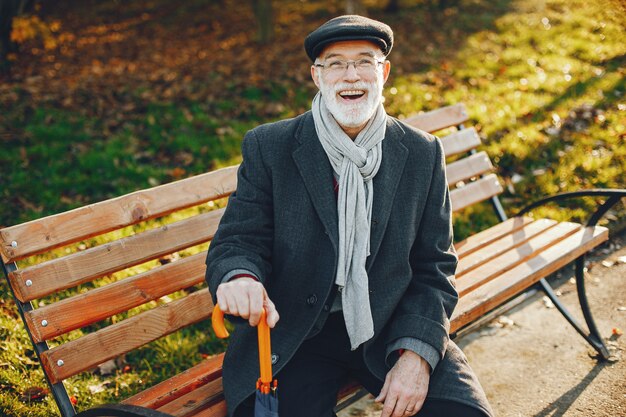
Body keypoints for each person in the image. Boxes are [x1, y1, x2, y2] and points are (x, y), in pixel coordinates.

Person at [206, 15, 493, 417]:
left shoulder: (422, 153)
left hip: (391, 322)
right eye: (336, 63)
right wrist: (239, 277)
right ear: (316, 76)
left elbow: (435, 268)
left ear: (384, 72)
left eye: (364, 61)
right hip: (296, 333)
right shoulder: (270, 146)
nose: (351, 76)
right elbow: (238, 242)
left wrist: (417, 355)